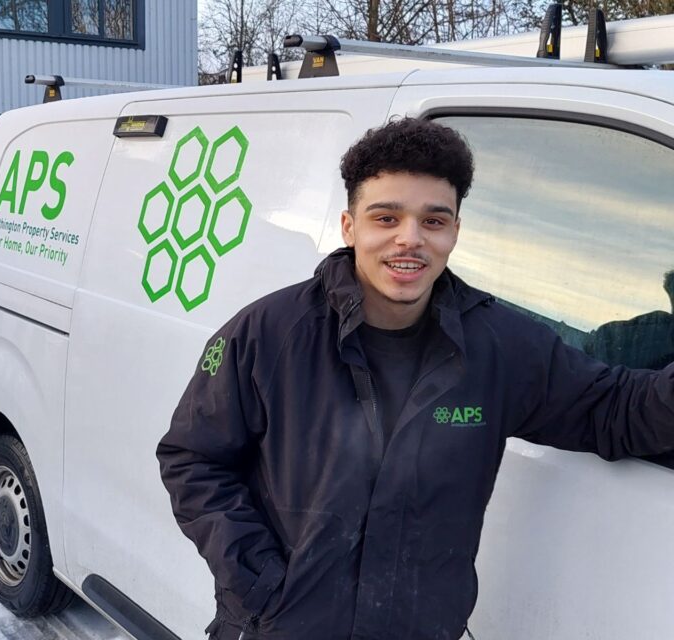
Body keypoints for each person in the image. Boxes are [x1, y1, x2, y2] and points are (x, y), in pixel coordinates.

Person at [155, 118, 674, 640]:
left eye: (433, 221)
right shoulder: (270, 333)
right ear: (349, 226)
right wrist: (261, 581)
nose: (410, 240)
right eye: (386, 217)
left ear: (454, 232)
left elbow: (615, 409)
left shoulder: (498, 347)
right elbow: (193, 458)